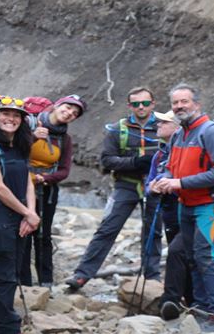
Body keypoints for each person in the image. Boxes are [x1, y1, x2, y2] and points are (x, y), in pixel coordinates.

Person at [149, 84, 214, 334]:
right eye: (175, 103)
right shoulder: (179, 134)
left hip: (213, 203)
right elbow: (171, 168)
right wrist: (163, 180)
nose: (179, 107)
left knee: (205, 257)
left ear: (197, 104)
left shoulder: (212, 132)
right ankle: (201, 309)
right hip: (186, 204)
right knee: (191, 256)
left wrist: (180, 183)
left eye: (184, 102)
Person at [66, 87, 160, 291]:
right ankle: (82, 274)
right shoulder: (118, 129)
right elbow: (107, 160)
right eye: (136, 104)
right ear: (129, 106)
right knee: (108, 228)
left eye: (145, 103)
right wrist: (135, 162)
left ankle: (152, 278)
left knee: (153, 231)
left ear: (153, 104)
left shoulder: (165, 126)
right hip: (126, 184)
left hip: (156, 186)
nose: (141, 107)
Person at [0, 96, 41, 334]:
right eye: (5, 114)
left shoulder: (20, 145)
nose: (11, 119)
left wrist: (31, 213)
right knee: (3, 276)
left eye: (16, 116)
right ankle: (6, 331)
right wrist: (27, 213)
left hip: (20, 218)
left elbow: (27, 181)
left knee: (11, 273)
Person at [25, 94, 85, 287]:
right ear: (57, 106)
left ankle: (46, 282)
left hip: (46, 190)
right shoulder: (29, 124)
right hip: (21, 186)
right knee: (23, 233)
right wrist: (33, 137)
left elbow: (64, 170)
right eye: (67, 108)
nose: (69, 113)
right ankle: (23, 281)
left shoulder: (65, 139)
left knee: (43, 235)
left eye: (74, 113)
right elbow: (14, 151)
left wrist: (45, 178)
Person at [148, 110, 194, 321]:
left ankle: (171, 300)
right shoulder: (159, 155)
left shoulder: (187, 151)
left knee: (177, 251)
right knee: (182, 255)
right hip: (169, 211)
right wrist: (153, 187)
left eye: (164, 122)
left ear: (177, 127)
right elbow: (149, 182)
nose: (158, 124)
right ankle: (191, 300)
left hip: (191, 209)